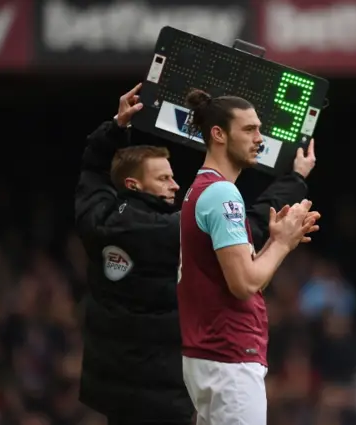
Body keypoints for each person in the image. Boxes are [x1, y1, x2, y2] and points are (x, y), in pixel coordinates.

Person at [74, 83, 318, 425]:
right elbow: (247, 260)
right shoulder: (187, 218)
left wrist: (113, 131)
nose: (175, 184)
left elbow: (91, 179)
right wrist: (286, 225)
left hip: (122, 385)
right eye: (163, 178)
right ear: (134, 185)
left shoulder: (103, 222)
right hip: (194, 373)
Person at [178, 88, 321, 425]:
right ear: (218, 134)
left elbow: (247, 278)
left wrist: (276, 242)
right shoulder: (223, 193)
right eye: (249, 129)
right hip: (229, 355)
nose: (260, 138)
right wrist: (284, 244)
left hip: (211, 354)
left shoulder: (202, 190)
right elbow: (244, 284)